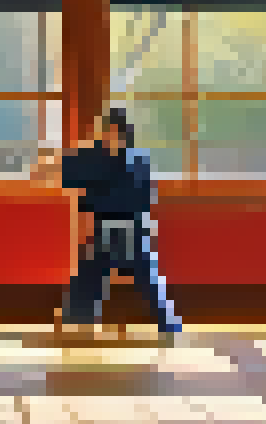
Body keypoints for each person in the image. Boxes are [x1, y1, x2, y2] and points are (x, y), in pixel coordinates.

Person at [61, 109, 181, 343]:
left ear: (123, 134)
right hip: (103, 228)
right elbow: (69, 173)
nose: (108, 136)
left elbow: (143, 198)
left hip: (131, 229)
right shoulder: (95, 156)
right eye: (104, 132)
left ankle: (169, 325)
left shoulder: (135, 160)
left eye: (112, 132)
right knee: (88, 277)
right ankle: (75, 325)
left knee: (147, 279)